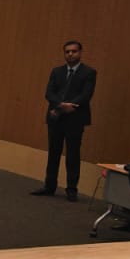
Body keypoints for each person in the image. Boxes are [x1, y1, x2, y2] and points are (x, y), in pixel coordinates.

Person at [32, 40, 96, 201]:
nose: (70, 54)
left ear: (80, 53)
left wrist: (71, 105)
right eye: (67, 51)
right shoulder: (56, 71)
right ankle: (49, 186)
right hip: (56, 116)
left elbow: (86, 95)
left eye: (74, 51)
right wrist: (61, 106)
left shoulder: (89, 72)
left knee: (73, 154)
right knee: (53, 152)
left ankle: (72, 189)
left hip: (75, 118)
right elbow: (49, 93)